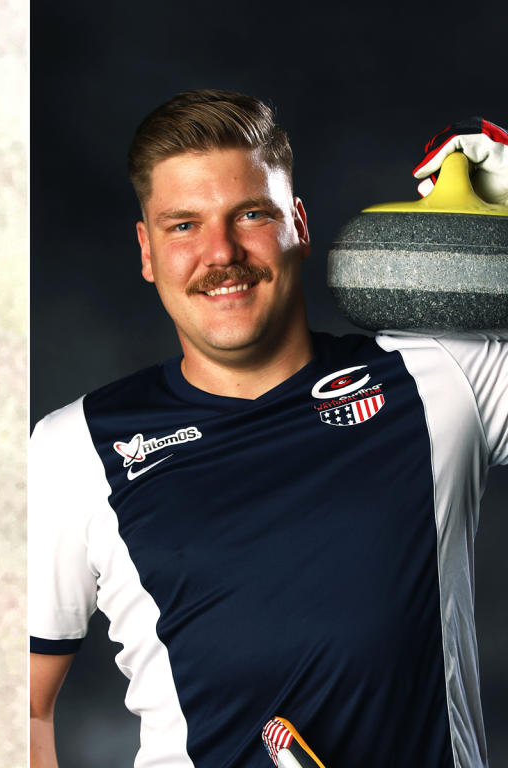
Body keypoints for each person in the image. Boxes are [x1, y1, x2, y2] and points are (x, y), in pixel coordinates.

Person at [29, 90, 508, 767]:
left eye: (251, 214)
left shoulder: (441, 379)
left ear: (300, 225)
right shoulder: (73, 448)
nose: (221, 252)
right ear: (146, 250)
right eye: (183, 225)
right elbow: (17, 703)